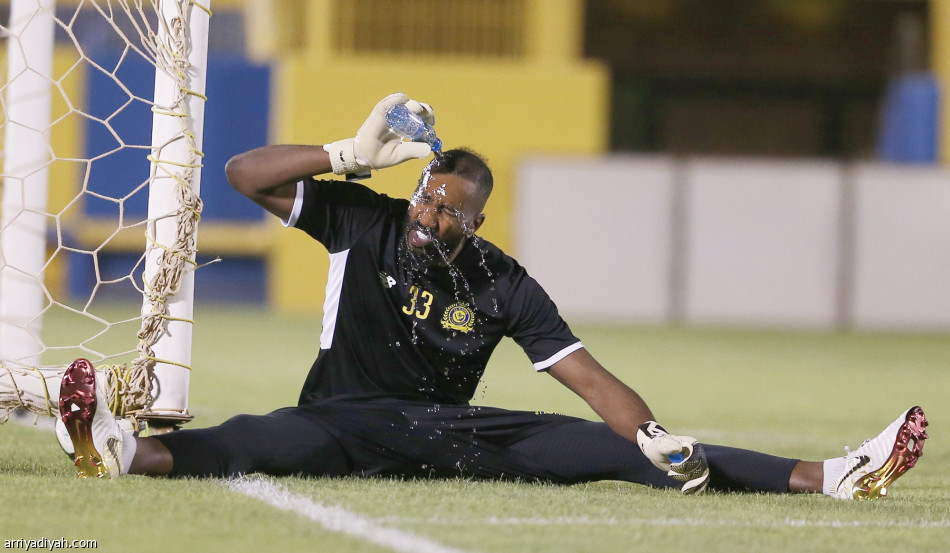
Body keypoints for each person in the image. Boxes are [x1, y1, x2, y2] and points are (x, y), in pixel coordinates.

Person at [58, 93, 928, 500]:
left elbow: (588, 378)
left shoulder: (501, 280)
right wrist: (347, 151)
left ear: (478, 221)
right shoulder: (365, 217)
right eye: (429, 196)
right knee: (254, 438)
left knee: (624, 451)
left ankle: (833, 475)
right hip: (343, 416)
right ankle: (116, 452)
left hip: (446, 435)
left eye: (452, 208)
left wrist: (650, 430)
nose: (433, 213)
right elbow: (243, 174)